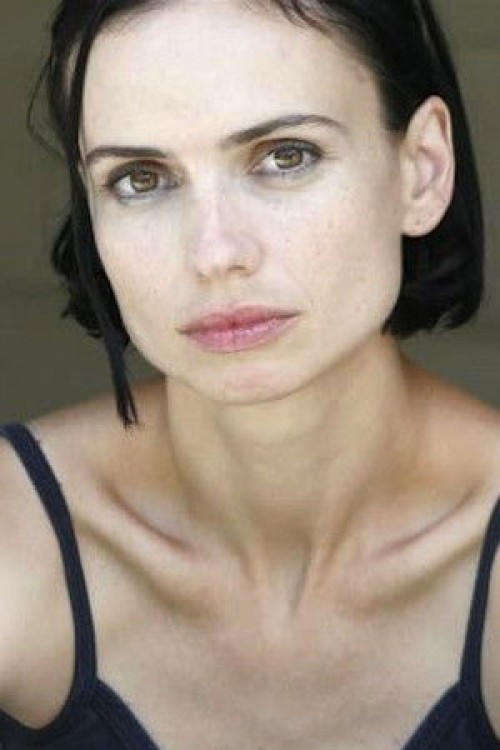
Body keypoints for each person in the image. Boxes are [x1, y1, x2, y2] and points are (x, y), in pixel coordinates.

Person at [0, 0, 499, 747]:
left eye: (285, 156)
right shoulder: (14, 537)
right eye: (140, 178)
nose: (215, 254)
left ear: (421, 170)